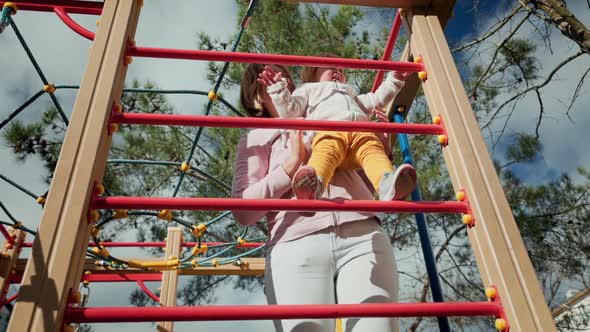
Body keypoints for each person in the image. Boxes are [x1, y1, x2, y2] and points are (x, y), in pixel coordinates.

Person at [232, 63, 400, 332]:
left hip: (363, 233)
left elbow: (369, 186)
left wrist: (384, 147)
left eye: (286, 76)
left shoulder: (329, 112)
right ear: (258, 95)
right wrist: (292, 163)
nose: (283, 80)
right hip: (296, 242)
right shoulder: (256, 137)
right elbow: (243, 211)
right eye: (271, 78)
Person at [257, 63, 417, 201]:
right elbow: (290, 111)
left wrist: (395, 79)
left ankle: (386, 183)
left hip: (359, 135)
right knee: (325, 153)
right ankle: (313, 186)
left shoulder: (350, 94)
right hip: (330, 132)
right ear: (313, 74)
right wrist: (277, 90)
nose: (337, 72)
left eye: (340, 70)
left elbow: (376, 99)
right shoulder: (308, 89)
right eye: (331, 68)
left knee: (372, 150)